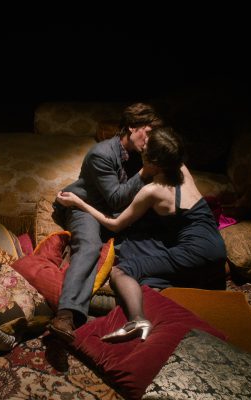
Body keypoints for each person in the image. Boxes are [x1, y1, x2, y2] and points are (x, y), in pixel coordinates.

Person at [56, 126, 227, 342]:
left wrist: (79, 202)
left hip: (193, 251)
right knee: (140, 253)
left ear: (152, 162)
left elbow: (115, 225)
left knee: (121, 271)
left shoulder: (152, 190)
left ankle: (137, 320)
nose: (143, 145)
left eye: (146, 147)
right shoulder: (181, 168)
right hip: (217, 245)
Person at [47, 102, 164, 343]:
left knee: (148, 239)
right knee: (90, 246)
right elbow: (115, 198)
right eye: (148, 133)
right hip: (86, 207)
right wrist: (145, 172)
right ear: (132, 127)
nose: (150, 140)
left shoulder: (139, 153)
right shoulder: (101, 154)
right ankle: (65, 315)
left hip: (116, 212)